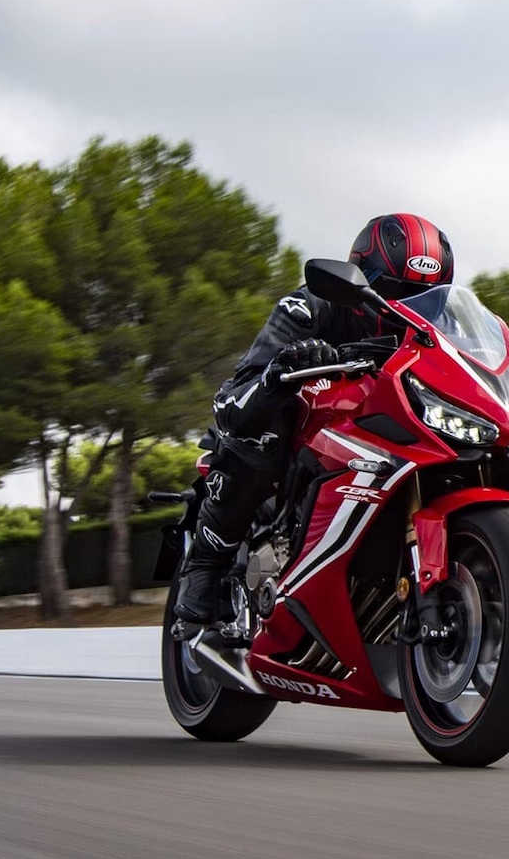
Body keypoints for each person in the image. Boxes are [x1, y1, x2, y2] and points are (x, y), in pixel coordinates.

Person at [174, 212, 456, 623]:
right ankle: (205, 567)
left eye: (425, 296)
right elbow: (233, 402)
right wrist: (282, 370)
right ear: (360, 275)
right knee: (262, 431)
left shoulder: (439, 329)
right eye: (394, 290)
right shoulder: (310, 306)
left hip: (386, 429)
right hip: (303, 432)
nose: (407, 306)